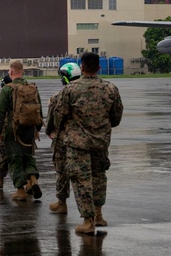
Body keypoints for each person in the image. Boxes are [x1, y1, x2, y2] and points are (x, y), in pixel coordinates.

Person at [53, 52, 123, 235]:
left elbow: (60, 115)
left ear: (82, 67)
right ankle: (99, 215)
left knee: (81, 179)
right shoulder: (110, 89)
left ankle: (88, 220)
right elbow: (116, 118)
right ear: (99, 67)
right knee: (99, 177)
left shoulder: (70, 90)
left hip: (78, 144)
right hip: (101, 142)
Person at [0, 60, 43, 201]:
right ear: (23, 72)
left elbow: (1, 113)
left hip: (13, 129)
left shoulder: (7, 89)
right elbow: (39, 110)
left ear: (11, 72)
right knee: (28, 156)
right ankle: (33, 179)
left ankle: (20, 190)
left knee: (14, 158)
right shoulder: (32, 88)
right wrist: (37, 128)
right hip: (30, 128)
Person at [45, 62, 81, 214]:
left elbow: (52, 122)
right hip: (86, 140)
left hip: (64, 139)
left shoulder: (59, 96)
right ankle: (95, 211)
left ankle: (61, 202)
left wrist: (50, 132)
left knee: (62, 171)